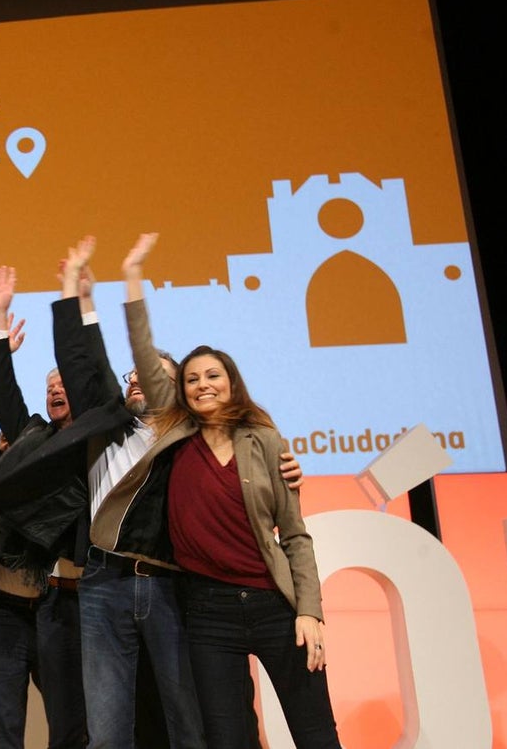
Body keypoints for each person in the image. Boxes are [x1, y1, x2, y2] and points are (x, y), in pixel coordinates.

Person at [98, 232, 341, 748]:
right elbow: (143, 349)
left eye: (213, 375)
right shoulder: (174, 435)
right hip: (208, 614)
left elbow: (295, 536)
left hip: (274, 604)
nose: (202, 384)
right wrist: (133, 276)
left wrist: (310, 610)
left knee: (316, 734)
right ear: (180, 392)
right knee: (228, 739)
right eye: (191, 379)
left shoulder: (266, 441)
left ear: (231, 382)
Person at [0, 268, 89, 749]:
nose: (55, 390)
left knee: (72, 725)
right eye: (50, 386)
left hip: (70, 601)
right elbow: (4, 394)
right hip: (11, 600)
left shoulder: (99, 444)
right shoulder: (33, 436)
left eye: (64, 384)